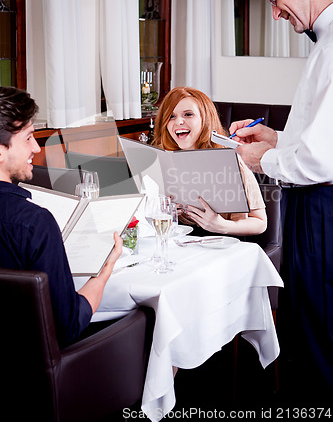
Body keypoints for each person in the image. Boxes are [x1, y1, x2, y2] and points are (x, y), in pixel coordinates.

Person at [229, 0, 333, 400]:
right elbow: (314, 140)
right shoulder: (323, 43)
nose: (274, 12)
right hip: (314, 207)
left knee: (318, 334)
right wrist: (277, 138)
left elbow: (320, 158)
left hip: (323, 212)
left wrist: (261, 158)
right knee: (305, 325)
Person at [0, 86, 123, 348]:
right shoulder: (34, 223)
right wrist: (105, 269)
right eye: (28, 137)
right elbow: (67, 327)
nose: (36, 146)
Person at [153, 86, 267, 237]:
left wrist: (222, 226)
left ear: (205, 120)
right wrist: (163, 210)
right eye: (171, 116)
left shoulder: (231, 160)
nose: (178, 121)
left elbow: (260, 223)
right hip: (178, 245)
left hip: (224, 245)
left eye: (188, 114)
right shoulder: (160, 160)